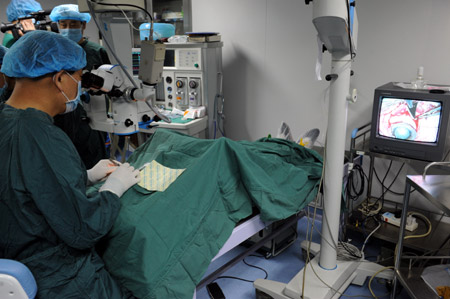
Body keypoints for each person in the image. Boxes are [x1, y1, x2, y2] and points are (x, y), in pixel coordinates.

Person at [0, 30, 140, 298]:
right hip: (57, 277)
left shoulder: (7, 120)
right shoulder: (43, 136)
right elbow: (83, 228)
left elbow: (20, 185)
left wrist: (83, 176)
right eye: (78, 77)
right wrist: (113, 190)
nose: (80, 85)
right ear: (60, 78)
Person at [49, 4, 112, 169]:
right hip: (62, 118)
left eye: (74, 24)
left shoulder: (96, 51)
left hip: (93, 117)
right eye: (63, 24)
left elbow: (113, 84)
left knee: (95, 163)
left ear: (83, 25)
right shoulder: (55, 52)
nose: (68, 28)